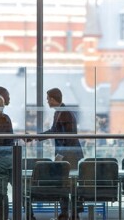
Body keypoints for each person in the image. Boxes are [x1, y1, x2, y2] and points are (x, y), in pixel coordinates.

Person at [28, 88, 84, 220]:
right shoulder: (59, 113)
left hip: (70, 155)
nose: (47, 101)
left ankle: (72, 214)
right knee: (64, 184)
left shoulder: (65, 114)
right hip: (67, 154)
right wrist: (36, 137)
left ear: (53, 99)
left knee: (67, 184)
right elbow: (53, 131)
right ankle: (66, 214)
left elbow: (69, 138)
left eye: (48, 99)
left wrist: (61, 155)